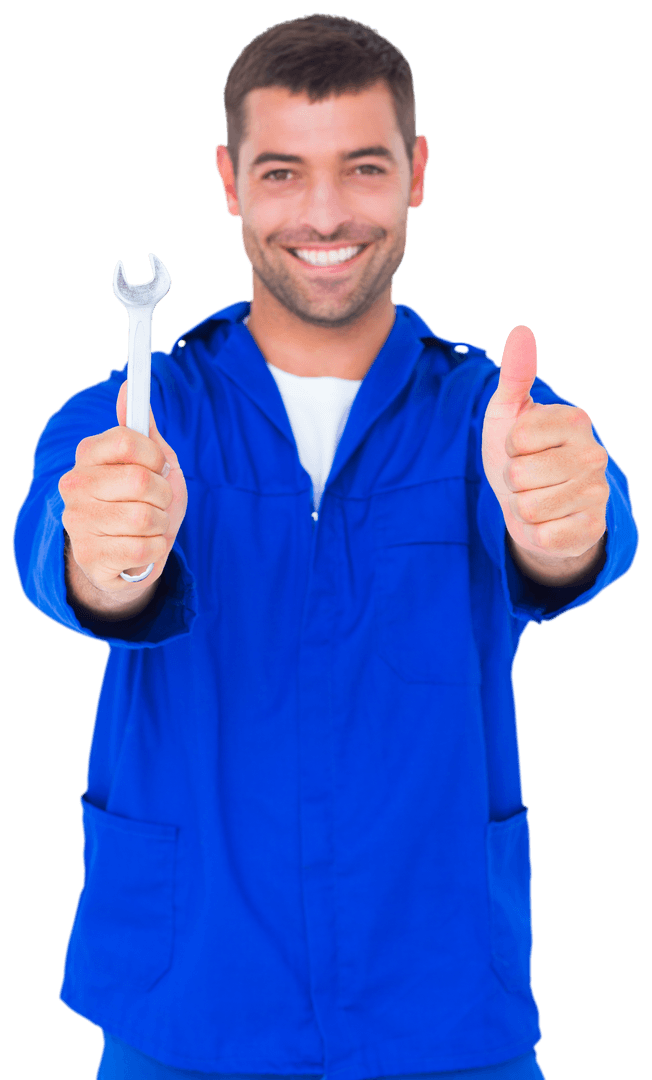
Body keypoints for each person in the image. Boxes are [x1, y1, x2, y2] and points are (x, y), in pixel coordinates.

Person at [12, 13, 638, 1080]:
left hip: (442, 1007)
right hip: (186, 1001)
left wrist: (566, 530)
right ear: (228, 181)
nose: (324, 213)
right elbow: (66, 554)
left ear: (416, 171)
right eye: (281, 172)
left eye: (361, 166)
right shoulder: (132, 417)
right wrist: (108, 557)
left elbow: (576, 521)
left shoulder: (486, 411)